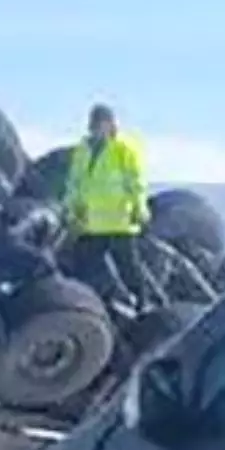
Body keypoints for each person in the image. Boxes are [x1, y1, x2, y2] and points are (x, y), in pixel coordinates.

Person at [63, 103, 149, 303]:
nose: (97, 127)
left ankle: (142, 301)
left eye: (102, 123)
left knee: (128, 265)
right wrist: (71, 211)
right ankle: (95, 299)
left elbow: (135, 181)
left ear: (111, 124)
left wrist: (139, 207)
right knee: (85, 263)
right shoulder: (82, 149)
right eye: (94, 123)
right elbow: (75, 182)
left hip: (119, 220)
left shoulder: (123, 148)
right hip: (90, 222)